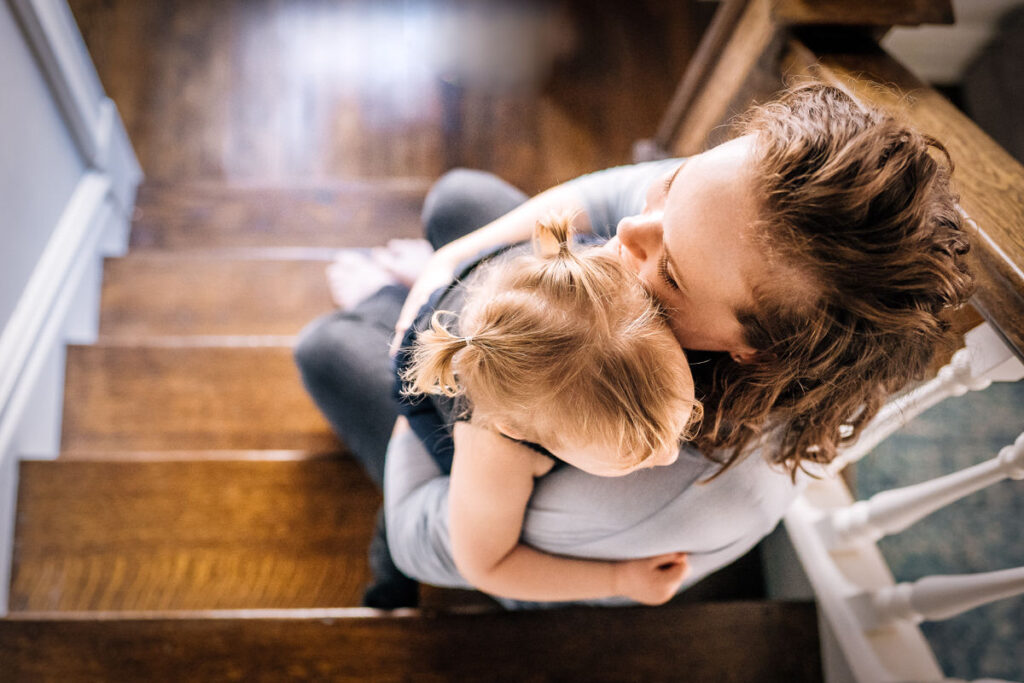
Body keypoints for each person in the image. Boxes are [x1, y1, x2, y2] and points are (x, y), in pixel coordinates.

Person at [294, 82, 975, 609]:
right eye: (676, 181)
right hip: (495, 388)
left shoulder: (670, 490)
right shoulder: (739, 210)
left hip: (501, 461)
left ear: (753, 351)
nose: (624, 232)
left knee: (324, 347)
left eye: (669, 270)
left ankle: (378, 308)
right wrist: (455, 277)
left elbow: (431, 543)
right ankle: (407, 302)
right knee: (457, 199)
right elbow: (609, 197)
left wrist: (458, 368)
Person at [396, 212, 700, 603]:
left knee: (456, 202)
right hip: (444, 351)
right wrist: (619, 581)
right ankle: (392, 295)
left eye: (687, 413)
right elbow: (486, 565)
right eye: (630, 454)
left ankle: (426, 270)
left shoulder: (615, 288)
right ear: (518, 431)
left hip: (511, 273)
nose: (671, 455)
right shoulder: (497, 447)